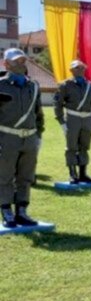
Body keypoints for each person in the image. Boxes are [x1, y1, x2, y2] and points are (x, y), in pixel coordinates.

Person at [0, 49, 44, 228]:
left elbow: (38, 113)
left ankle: (22, 210)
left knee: (26, 177)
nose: (21, 64)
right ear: (6, 64)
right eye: (16, 61)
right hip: (6, 137)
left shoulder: (33, 86)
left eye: (23, 61)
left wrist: (38, 136)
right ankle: (7, 211)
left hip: (29, 139)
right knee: (4, 176)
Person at [54, 59, 91, 184]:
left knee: (84, 146)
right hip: (72, 118)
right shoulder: (64, 85)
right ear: (71, 70)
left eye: (81, 68)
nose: (80, 70)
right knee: (71, 147)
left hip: (87, 119)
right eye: (76, 68)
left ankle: (83, 174)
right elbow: (57, 104)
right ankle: (72, 173)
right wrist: (62, 122)